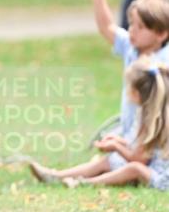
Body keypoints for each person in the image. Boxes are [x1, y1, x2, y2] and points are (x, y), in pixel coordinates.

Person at [28, 0, 169, 184]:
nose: (132, 30)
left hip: (155, 136)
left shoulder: (164, 59)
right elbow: (107, 27)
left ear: (161, 33)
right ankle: (56, 177)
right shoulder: (132, 49)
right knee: (108, 161)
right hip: (134, 130)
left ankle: (77, 180)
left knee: (119, 162)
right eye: (131, 24)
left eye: (140, 27)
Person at [28, 59, 169, 190]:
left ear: (136, 93)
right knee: (109, 161)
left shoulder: (150, 119)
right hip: (153, 168)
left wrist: (115, 146)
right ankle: (55, 176)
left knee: (134, 168)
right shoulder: (150, 113)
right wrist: (119, 142)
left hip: (163, 178)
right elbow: (142, 151)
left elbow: (140, 160)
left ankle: (82, 182)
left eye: (127, 86)